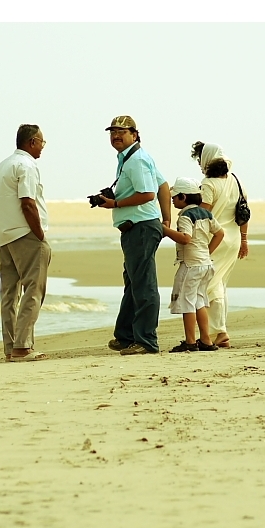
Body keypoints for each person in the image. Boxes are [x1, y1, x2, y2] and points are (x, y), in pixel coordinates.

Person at [93, 116, 172, 355]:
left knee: (143, 284)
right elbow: (163, 185)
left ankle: (146, 341)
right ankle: (126, 336)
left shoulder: (136, 160)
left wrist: (115, 203)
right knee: (134, 282)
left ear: (134, 134)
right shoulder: (133, 157)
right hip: (139, 226)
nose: (116, 135)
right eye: (112, 132)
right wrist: (166, 220)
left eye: (121, 132)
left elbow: (148, 194)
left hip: (140, 227)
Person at [0, 124, 51, 362]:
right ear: (33, 141)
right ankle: (22, 347)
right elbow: (27, 202)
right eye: (42, 143)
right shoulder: (26, 165)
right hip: (25, 235)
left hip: (4, 237)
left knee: (9, 295)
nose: (42, 148)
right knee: (33, 290)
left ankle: (10, 347)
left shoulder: (2, 166)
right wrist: (40, 235)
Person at [191, 141, 250, 348]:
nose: (199, 163)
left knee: (208, 285)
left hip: (215, 239)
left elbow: (203, 214)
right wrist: (244, 239)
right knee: (220, 284)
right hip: (232, 240)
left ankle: (220, 332)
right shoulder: (236, 180)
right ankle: (219, 331)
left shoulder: (208, 184)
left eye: (200, 159)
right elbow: (244, 212)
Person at [161, 177, 225, 352]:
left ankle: (190, 341)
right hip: (205, 264)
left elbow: (186, 238)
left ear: (183, 197)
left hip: (190, 265)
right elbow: (220, 233)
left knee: (186, 302)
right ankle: (206, 340)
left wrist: (164, 230)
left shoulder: (185, 217)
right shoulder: (206, 213)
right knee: (199, 301)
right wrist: (207, 252)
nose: (173, 200)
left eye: (175, 197)